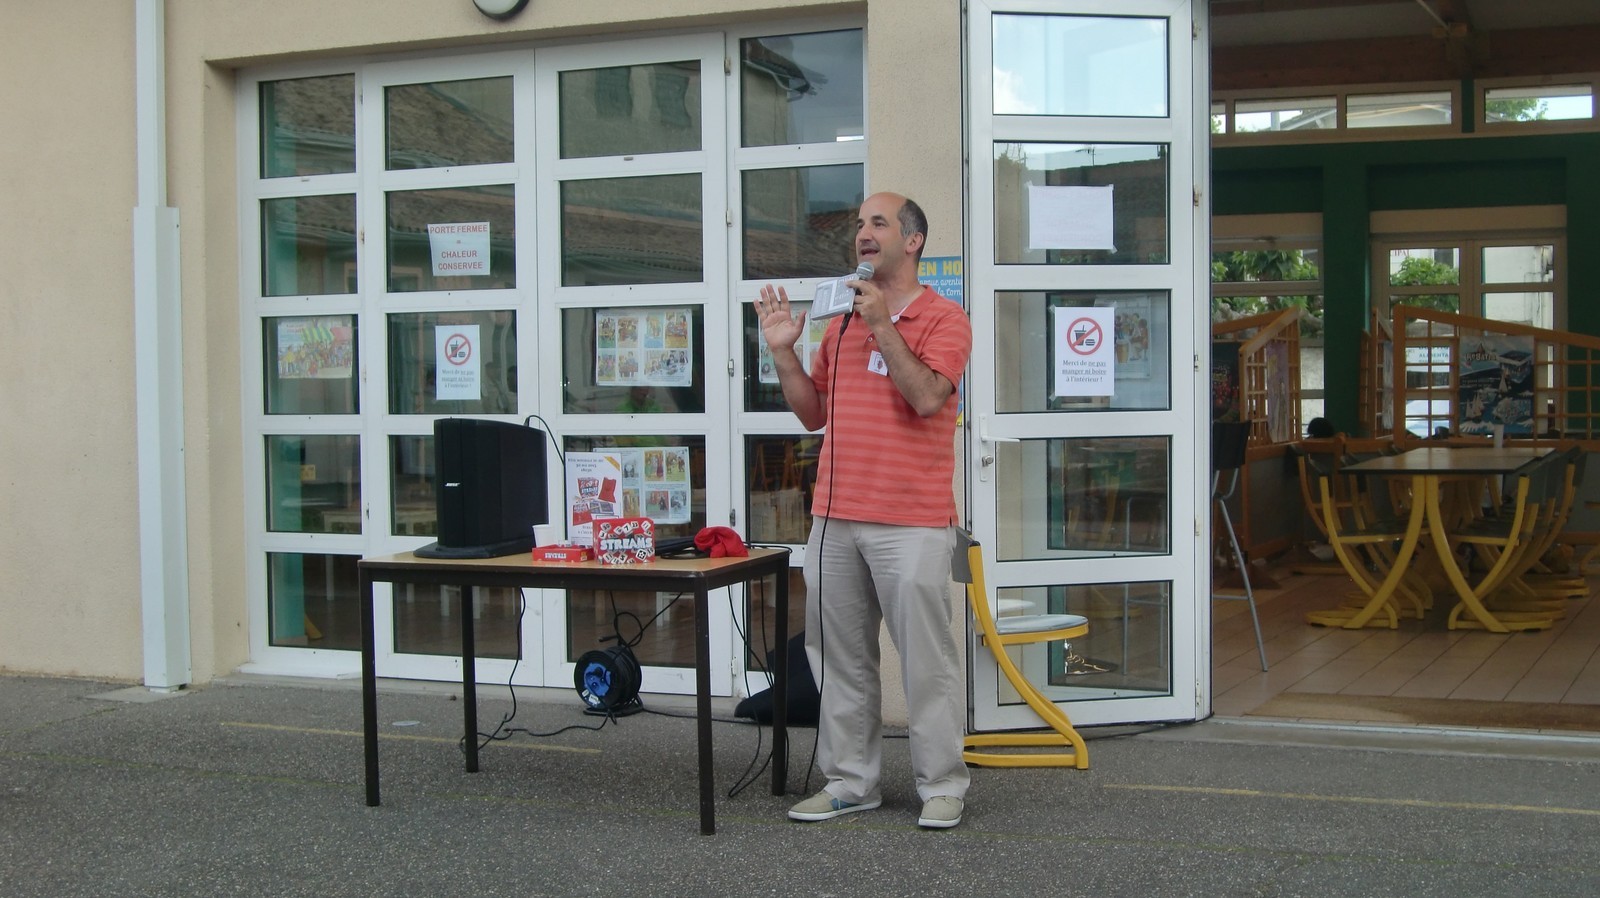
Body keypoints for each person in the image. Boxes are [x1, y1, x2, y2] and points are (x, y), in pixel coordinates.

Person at [753, 192, 973, 830]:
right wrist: (782, 351)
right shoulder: (841, 323)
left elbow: (929, 398)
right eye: (858, 226)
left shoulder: (944, 317)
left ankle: (941, 786)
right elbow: (812, 413)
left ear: (913, 241)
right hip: (835, 519)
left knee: (927, 660)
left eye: (878, 224)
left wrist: (883, 324)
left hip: (914, 522)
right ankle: (851, 782)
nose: (862, 235)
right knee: (840, 657)